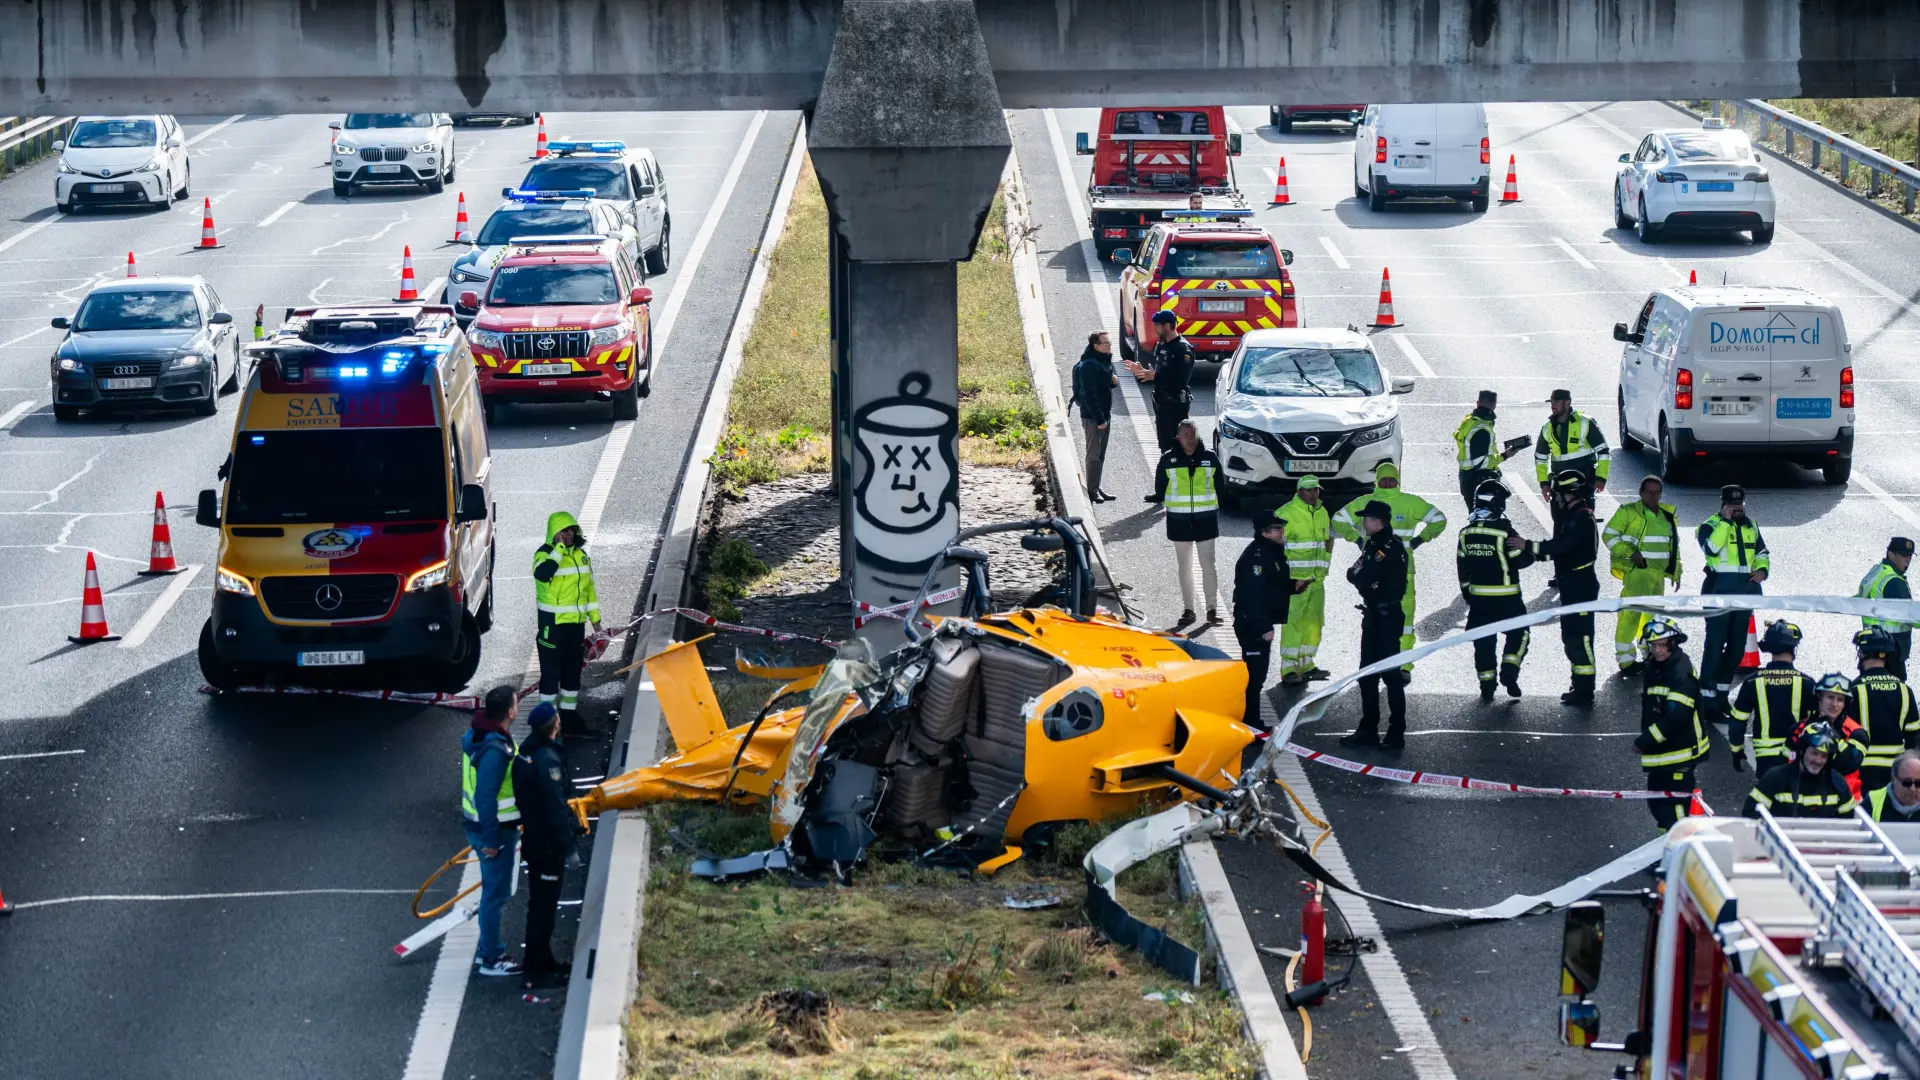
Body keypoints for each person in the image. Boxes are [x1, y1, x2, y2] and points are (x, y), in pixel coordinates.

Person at [1333, 461, 1444, 675]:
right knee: (1384, 615)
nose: (1387, 482)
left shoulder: (1374, 502)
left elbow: (1440, 519)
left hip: (1394, 571)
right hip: (1393, 569)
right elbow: (1339, 519)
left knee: (1404, 617)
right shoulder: (1406, 502)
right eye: (1383, 479)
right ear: (1377, 481)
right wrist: (1358, 539)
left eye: (1390, 479)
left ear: (1397, 480)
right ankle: (1385, 661)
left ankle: (1401, 663)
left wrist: (1419, 540)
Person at [513, 701, 584, 987]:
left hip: (535, 839)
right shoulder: (548, 761)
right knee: (543, 907)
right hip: (547, 846)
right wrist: (570, 847)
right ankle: (536, 971)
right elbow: (555, 808)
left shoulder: (528, 754)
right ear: (554, 725)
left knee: (542, 905)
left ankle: (544, 960)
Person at [1515, 470, 1600, 705]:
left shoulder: (1580, 518)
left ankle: (1584, 689)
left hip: (1580, 586)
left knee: (1580, 637)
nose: (1556, 499)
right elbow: (1562, 551)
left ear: (1570, 494)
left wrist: (1528, 546)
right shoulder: (1573, 516)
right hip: (1573, 584)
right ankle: (1579, 681)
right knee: (1571, 635)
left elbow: (1561, 546)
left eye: (1559, 494)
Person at [462, 686, 524, 977]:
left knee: (493, 891)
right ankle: (492, 957)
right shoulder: (496, 750)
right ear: (510, 712)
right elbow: (486, 796)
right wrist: (491, 839)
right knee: (495, 894)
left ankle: (488, 949)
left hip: (484, 826)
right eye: (516, 703)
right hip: (495, 830)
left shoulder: (479, 735)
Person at [1339, 500, 1409, 749]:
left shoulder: (1386, 548)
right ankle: (1368, 729)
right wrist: (1359, 575)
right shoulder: (1374, 545)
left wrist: (1360, 575)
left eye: (1366, 518)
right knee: (1366, 676)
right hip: (1373, 615)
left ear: (1378, 522)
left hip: (1386, 618)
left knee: (1390, 675)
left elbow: (1363, 576)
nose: (1362, 522)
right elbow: (1353, 574)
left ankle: (1396, 731)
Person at [1456, 479, 1534, 703]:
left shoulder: (1465, 533)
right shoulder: (1503, 531)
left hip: (1479, 600)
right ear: (1496, 504)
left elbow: (1462, 568)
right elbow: (1521, 560)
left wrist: (1468, 594)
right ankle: (1509, 671)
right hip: (1507, 598)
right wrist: (1528, 548)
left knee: (1483, 643)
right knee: (1520, 634)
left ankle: (1487, 685)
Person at [1696, 485, 1769, 718]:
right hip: (1718, 593)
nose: (1738, 510)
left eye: (1740, 506)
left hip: (1744, 594)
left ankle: (1721, 695)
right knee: (1715, 647)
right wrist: (1726, 523)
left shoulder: (1752, 526)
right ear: (1723, 505)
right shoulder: (1709, 526)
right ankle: (1707, 701)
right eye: (1733, 507)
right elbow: (1712, 549)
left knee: (1737, 649)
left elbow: (1762, 553)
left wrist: (1762, 571)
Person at [1634, 617, 1708, 832]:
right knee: (1658, 801)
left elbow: (1678, 716)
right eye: (1653, 645)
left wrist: (1646, 740)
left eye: (1662, 645)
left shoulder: (1680, 672)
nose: (1657, 650)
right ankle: (1666, 851)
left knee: (1674, 808)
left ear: (1673, 643)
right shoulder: (1655, 666)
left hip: (1680, 753)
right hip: (1665, 751)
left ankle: (1673, 853)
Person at [1603, 476, 1682, 676]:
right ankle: (1626, 661)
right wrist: (1630, 552)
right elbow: (1609, 535)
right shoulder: (1628, 512)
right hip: (1638, 573)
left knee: (1653, 618)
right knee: (1630, 616)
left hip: (1658, 575)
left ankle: (1650, 654)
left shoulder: (1667, 515)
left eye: (1657, 492)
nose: (1653, 496)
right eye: (1649, 492)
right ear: (1641, 493)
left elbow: (1673, 547)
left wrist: (1676, 572)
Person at [1232, 513, 1304, 730]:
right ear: (1264, 532)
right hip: (1253, 624)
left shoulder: (1271, 553)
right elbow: (1252, 595)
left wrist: (1293, 586)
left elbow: (1272, 584)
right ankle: (1251, 724)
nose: (1281, 532)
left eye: (1281, 528)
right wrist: (1262, 627)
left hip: (1259, 621)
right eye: (1276, 529)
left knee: (1258, 676)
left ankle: (1251, 720)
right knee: (1254, 678)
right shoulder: (1258, 558)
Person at [1146, 419, 1220, 626]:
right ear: (1178, 437)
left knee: (1208, 565)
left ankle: (1212, 609)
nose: (1190, 438)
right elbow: (1160, 489)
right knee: (1185, 567)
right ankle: (1189, 609)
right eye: (1186, 434)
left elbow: (1220, 486)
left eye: (1193, 433)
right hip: (1179, 520)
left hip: (1205, 519)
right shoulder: (1168, 459)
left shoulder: (1210, 458)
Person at [534, 511, 602, 735]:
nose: (569, 534)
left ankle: (569, 721)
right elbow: (543, 574)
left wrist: (597, 623)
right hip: (552, 627)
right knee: (551, 676)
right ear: (555, 533)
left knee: (572, 676)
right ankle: (546, 725)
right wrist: (559, 549)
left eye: (572, 530)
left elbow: (589, 591)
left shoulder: (581, 556)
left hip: (575, 627)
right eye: (564, 530)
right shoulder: (544, 555)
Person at [1726, 620, 1816, 779]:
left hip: (1765, 758)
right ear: (1793, 648)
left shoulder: (1753, 681)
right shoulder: (1807, 683)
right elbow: (1817, 722)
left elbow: (1737, 721)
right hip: (1798, 754)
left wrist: (1736, 749)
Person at [1275, 475, 1333, 685]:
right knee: (1293, 623)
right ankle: (1289, 667)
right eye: (1309, 490)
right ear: (1299, 491)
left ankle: (1307, 664)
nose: (1313, 493)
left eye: (1316, 489)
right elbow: (1276, 550)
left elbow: (1326, 544)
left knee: (1313, 624)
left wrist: (1323, 572)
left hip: (1316, 582)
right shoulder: (1285, 514)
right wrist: (1286, 580)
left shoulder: (1322, 512)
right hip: (1295, 583)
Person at [1742, 721, 1858, 819]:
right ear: (1801, 751)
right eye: (1814, 753)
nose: (1818, 761)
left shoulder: (1837, 784)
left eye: (1823, 756)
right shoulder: (1776, 779)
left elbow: (1850, 825)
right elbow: (1751, 816)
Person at [1849, 627, 1917, 793]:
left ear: (1863, 654)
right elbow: (1915, 739)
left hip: (1862, 773)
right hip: (1898, 775)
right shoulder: (1904, 690)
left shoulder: (1853, 689)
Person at [1533, 389, 1610, 526]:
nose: (1552, 405)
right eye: (1551, 402)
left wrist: (1601, 478)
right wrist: (1544, 484)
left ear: (1567, 403)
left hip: (1583, 484)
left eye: (1556, 402)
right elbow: (1540, 459)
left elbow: (1603, 451)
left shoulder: (1585, 422)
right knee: (1559, 525)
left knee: (1585, 524)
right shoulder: (1547, 428)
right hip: (1560, 485)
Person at [1126, 309, 1194, 453]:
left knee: (1178, 447)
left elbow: (1180, 381)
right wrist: (1143, 371)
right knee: (1164, 446)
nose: (1155, 330)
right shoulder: (1162, 346)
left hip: (1175, 406)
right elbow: (1160, 373)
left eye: (1158, 326)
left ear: (1168, 325)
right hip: (1162, 405)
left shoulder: (1183, 349)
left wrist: (1155, 377)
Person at [1856, 537, 1917, 681]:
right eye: (1903, 555)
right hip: (1891, 649)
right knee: (1895, 692)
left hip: (1871, 646)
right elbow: (1911, 615)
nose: (1907, 560)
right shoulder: (1894, 581)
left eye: (1910, 556)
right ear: (1890, 554)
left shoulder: (1878, 571)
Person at [1452, 390, 1528, 502]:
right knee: (1487, 517)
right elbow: (1480, 462)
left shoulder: (1470, 421)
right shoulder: (1482, 430)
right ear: (1494, 405)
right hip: (1479, 480)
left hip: (1467, 477)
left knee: (1476, 516)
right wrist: (1504, 456)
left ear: (1477, 403)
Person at [1068, 331, 1118, 503]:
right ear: (1095, 346)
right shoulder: (1089, 365)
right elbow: (1089, 395)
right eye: (1106, 343)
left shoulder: (1104, 361)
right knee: (1093, 455)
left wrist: (1111, 382)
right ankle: (1092, 491)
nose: (1109, 345)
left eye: (1109, 342)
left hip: (1104, 415)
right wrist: (1100, 420)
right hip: (1093, 418)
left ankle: (1095, 486)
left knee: (1100, 455)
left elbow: (1102, 387)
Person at [1867, 750, 1920, 822]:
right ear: (1893, 779)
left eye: (1918, 783)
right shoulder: (1872, 802)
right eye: (1907, 782)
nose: (1912, 789)